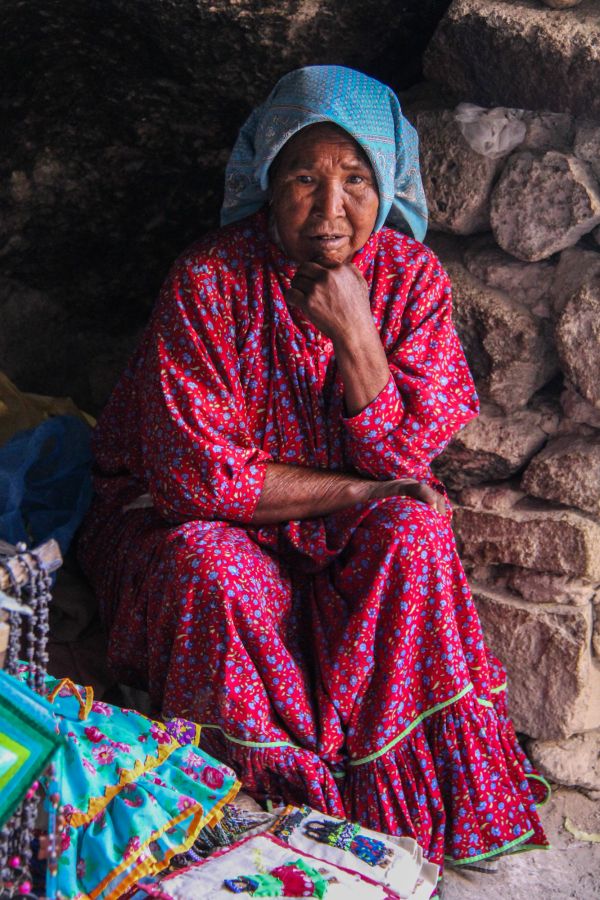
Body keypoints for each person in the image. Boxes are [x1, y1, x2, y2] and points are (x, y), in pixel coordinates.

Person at [78, 65, 549, 873]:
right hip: (200, 526)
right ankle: (277, 794)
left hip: (330, 522)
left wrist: (356, 333)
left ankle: (387, 799)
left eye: (357, 179)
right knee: (208, 562)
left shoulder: (411, 280)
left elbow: (405, 464)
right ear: (266, 177)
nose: (332, 209)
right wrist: (361, 491)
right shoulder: (208, 281)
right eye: (305, 176)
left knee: (416, 527)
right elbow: (198, 484)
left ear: (389, 182)